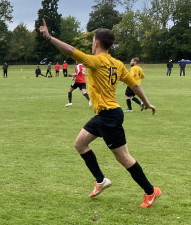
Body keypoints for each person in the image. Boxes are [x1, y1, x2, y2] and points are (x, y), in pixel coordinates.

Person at [38, 19, 161, 208]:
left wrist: (49, 37)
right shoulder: (118, 64)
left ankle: (151, 191)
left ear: (96, 43)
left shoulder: (95, 61)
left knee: (123, 157)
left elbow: (71, 51)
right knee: (80, 143)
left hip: (109, 116)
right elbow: (134, 85)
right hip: (105, 115)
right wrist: (146, 102)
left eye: (92, 41)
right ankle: (100, 180)